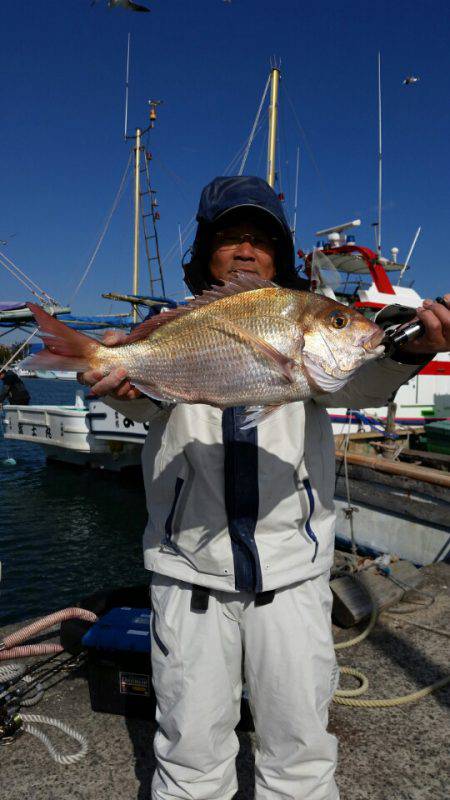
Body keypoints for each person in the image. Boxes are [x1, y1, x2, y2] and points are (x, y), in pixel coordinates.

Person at [78, 175, 450, 800]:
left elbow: (361, 382)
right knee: (190, 754)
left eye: (259, 239)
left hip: (293, 577)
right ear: (206, 253)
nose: (245, 249)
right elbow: (144, 405)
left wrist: (409, 352)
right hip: (189, 573)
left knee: (300, 753)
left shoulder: (297, 323)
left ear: (279, 254)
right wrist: (121, 370)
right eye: (229, 238)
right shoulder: (173, 328)